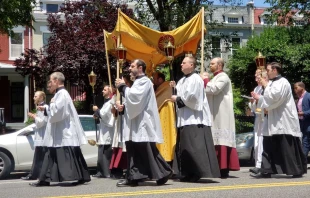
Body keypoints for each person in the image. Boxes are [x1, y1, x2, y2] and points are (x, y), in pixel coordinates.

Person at [115, 59, 172, 187]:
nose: (130, 68)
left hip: (142, 122)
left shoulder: (145, 81)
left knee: (144, 149)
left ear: (140, 68)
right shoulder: (138, 82)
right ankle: (138, 176)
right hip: (136, 120)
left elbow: (136, 98)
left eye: (132, 66)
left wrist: (122, 87)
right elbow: (133, 101)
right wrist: (123, 107)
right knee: (138, 149)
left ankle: (159, 172)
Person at [30, 72, 91, 187]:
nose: (50, 83)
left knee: (55, 153)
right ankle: (45, 179)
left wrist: (48, 107)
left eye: (51, 81)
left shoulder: (62, 94)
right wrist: (48, 107)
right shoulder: (60, 94)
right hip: (59, 131)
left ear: (57, 81)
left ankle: (78, 176)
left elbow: (59, 112)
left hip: (64, 131)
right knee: (51, 153)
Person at [251, 62, 307, 178]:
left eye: (268, 69)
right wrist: (259, 99)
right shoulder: (271, 83)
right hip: (271, 118)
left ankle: (295, 169)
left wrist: (261, 95)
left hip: (282, 120)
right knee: (268, 144)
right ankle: (267, 169)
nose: (266, 72)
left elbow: (275, 98)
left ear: (275, 70)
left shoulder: (283, 82)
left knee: (286, 145)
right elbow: (267, 99)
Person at [170, 56, 220, 182]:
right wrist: (175, 89)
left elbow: (192, 98)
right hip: (184, 118)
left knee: (194, 147)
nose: (181, 64)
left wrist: (178, 99)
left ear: (191, 65)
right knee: (185, 147)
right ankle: (187, 172)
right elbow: (182, 93)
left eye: (184, 62)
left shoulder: (196, 79)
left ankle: (197, 172)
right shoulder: (182, 80)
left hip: (194, 118)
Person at [205, 57, 240, 178]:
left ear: (220, 65)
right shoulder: (215, 77)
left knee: (221, 139)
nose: (210, 65)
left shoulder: (223, 77)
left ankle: (223, 168)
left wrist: (205, 80)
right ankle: (216, 167)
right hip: (214, 111)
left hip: (222, 112)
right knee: (215, 139)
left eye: (213, 64)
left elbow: (214, 89)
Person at [21, 91, 49, 180]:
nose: (33, 98)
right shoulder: (39, 108)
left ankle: (37, 175)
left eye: (35, 96)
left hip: (43, 137)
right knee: (38, 158)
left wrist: (33, 116)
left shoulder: (45, 107)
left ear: (41, 98)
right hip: (40, 136)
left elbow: (43, 122)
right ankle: (34, 175)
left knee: (41, 158)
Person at [153, 71, 177, 163]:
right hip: (160, 116)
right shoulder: (158, 88)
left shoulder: (167, 86)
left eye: (155, 79)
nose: (153, 81)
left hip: (167, 114)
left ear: (160, 79)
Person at [92, 85, 115, 178]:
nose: (102, 91)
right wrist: (97, 114)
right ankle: (100, 171)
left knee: (105, 151)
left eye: (105, 89)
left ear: (110, 92)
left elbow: (105, 115)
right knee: (101, 151)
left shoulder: (111, 103)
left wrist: (97, 110)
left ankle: (106, 172)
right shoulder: (106, 103)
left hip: (108, 131)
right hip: (103, 130)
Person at [248, 69, 264, 174]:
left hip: (264, 117)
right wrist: (252, 102)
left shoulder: (266, 87)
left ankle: (261, 164)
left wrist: (258, 99)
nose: (256, 76)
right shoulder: (256, 88)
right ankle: (257, 164)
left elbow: (267, 100)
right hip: (258, 116)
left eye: (258, 74)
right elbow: (254, 107)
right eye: (255, 74)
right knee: (257, 141)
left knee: (262, 140)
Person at [294, 82, 310, 161]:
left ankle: (302, 162)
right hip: (303, 124)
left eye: (296, 88)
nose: (295, 90)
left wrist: (303, 113)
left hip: (308, 124)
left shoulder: (308, 96)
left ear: (302, 88)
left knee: (305, 143)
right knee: (305, 142)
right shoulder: (299, 98)